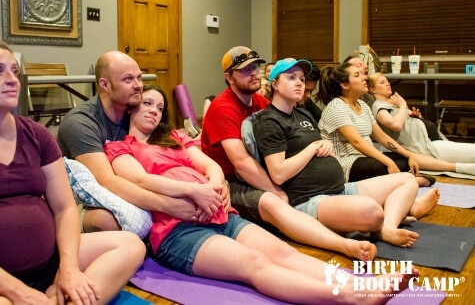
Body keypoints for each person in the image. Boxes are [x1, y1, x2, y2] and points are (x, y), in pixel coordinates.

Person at [104, 84, 418, 305]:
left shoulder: (176, 138)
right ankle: (352, 298)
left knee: (284, 253)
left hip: (219, 214)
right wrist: (193, 190)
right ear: (131, 108)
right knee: (255, 263)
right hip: (178, 231)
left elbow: (208, 164)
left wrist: (215, 184)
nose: (154, 111)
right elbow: (140, 179)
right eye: (147, 103)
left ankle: (360, 284)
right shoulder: (119, 147)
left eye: (159, 106)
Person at [201, 46, 379, 261]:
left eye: (255, 66)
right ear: (229, 77)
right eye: (245, 70)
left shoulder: (259, 103)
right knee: (271, 202)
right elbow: (242, 163)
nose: (254, 72)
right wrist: (276, 191)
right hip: (230, 182)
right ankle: (343, 244)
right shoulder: (223, 107)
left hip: (261, 173)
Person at [0, 42, 146, 305]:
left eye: (14, 71)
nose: (11, 80)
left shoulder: (37, 135)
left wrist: (68, 269)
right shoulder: (81, 121)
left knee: (131, 245)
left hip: (51, 263)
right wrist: (16, 291)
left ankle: (59, 294)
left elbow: (65, 208)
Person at [253, 58, 438, 247]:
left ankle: (387, 228)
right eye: (291, 78)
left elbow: (323, 144)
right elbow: (278, 174)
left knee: (407, 180)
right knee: (372, 211)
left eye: (301, 78)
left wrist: (326, 147)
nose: (299, 83)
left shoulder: (302, 114)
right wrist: (313, 148)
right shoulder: (270, 122)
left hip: (340, 189)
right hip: (311, 199)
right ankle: (396, 214)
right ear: (275, 83)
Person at [58, 51, 204, 233]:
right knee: (108, 220)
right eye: (128, 80)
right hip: (85, 198)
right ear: (105, 84)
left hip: (132, 185)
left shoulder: (134, 111)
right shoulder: (81, 123)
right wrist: (167, 205)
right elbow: (106, 181)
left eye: (139, 78)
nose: (138, 86)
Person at [317, 62, 469, 188]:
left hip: (364, 157)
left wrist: (409, 155)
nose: (365, 78)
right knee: (379, 166)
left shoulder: (362, 105)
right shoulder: (336, 106)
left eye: (362, 74)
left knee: (403, 160)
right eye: (357, 75)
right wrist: (388, 161)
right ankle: (406, 181)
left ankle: (401, 180)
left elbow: (381, 137)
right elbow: (357, 142)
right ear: (345, 84)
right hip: (344, 163)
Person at [368, 72, 475, 172]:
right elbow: (395, 125)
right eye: (382, 82)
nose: (387, 84)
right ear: (372, 89)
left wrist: (413, 116)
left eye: (387, 81)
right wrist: (403, 105)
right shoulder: (379, 107)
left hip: (430, 141)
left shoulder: (391, 103)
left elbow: (402, 121)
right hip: (427, 146)